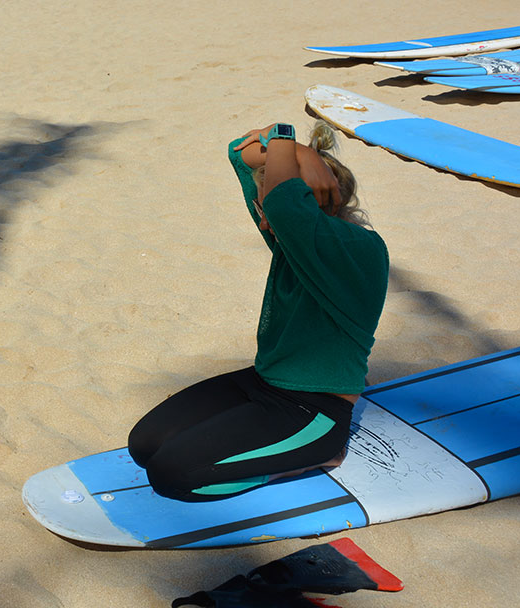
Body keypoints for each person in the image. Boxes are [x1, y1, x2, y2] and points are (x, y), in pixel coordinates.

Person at [127, 121, 389, 501]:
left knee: (173, 476)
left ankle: (310, 458)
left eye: (267, 210)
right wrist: (303, 152)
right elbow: (239, 151)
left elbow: (282, 203)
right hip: (263, 383)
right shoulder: (294, 240)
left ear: (300, 210)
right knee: (145, 445)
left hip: (313, 411)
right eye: (258, 207)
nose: (263, 222)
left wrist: (284, 138)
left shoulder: (355, 251)